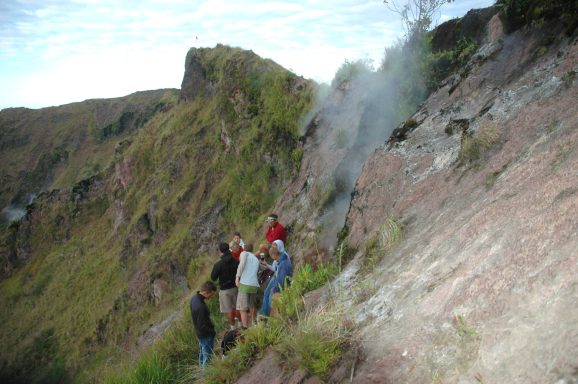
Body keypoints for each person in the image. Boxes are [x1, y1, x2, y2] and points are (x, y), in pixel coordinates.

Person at [210, 242, 239, 330]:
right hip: (236, 287)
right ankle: (242, 324)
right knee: (238, 307)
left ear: (220, 251)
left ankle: (233, 328)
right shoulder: (236, 261)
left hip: (224, 290)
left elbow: (213, 278)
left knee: (228, 310)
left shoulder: (218, 265)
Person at [259, 243, 292, 317]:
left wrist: (275, 289)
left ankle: (266, 315)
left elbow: (281, 279)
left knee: (271, 296)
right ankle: (265, 313)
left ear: (273, 255)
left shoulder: (282, 264)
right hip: (278, 280)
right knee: (268, 293)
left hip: (281, 286)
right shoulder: (281, 260)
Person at [190, 281, 217, 368]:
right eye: (211, 294)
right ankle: (206, 377)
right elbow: (202, 325)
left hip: (199, 334)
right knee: (207, 358)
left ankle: (201, 373)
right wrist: (212, 332)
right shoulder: (201, 306)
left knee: (202, 354)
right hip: (206, 335)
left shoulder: (194, 299)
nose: (211, 296)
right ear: (206, 292)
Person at [235, 243, 260, 328]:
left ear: (244, 249)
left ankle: (245, 327)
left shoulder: (244, 254)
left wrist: (237, 277)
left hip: (245, 284)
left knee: (242, 308)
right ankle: (254, 323)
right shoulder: (256, 259)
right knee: (252, 305)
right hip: (254, 285)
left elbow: (241, 264)